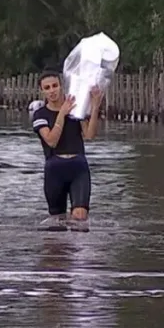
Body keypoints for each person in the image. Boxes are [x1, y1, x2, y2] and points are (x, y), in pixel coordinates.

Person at [31, 71, 104, 228]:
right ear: (42, 90)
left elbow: (89, 135)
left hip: (78, 167)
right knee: (57, 222)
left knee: (80, 218)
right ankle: (61, 252)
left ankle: (81, 251)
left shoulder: (76, 109)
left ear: (61, 86)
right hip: (55, 168)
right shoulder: (40, 114)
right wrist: (62, 113)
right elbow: (51, 141)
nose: (52, 91)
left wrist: (95, 107)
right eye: (47, 87)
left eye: (55, 86)